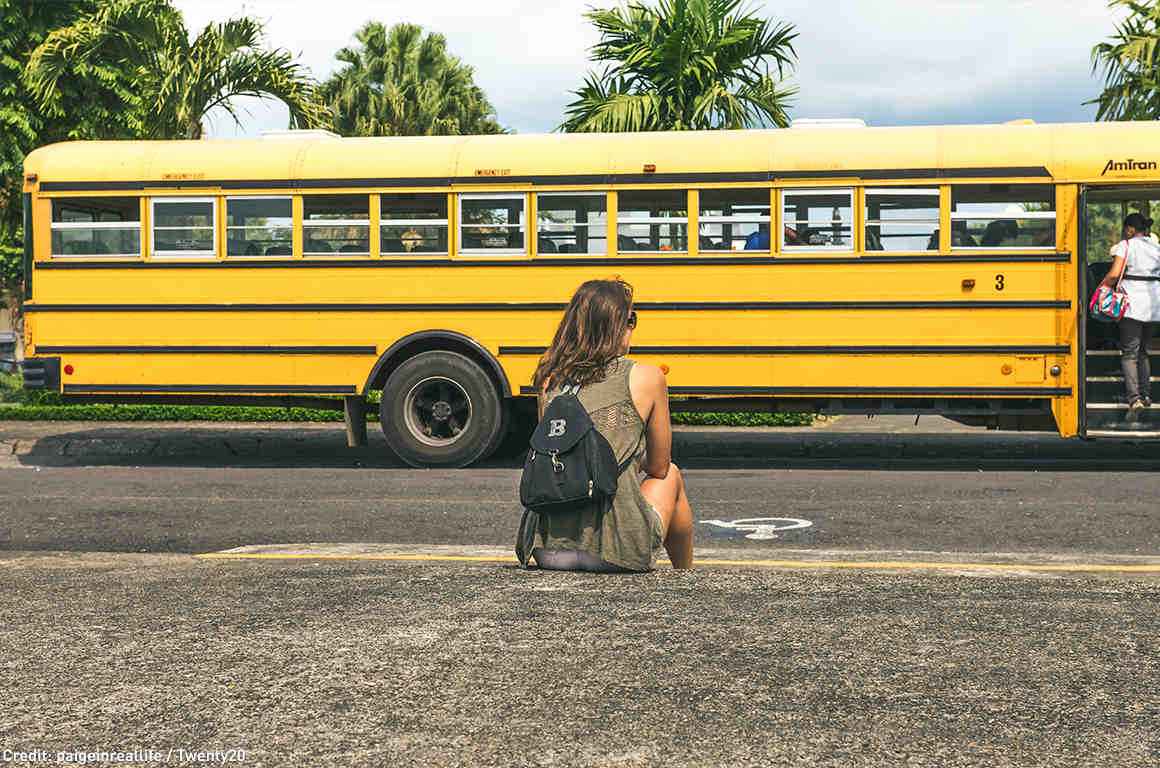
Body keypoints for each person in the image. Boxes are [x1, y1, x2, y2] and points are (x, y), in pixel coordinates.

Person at [529, 279, 694, 572]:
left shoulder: (549, 381)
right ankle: (685, 574)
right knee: (672, 477)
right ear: (615, 324)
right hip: (617, 551)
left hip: (548, 551)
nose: (633, 327)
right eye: (631, 318)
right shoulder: (647, 377)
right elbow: (659, 466)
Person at [1099, 212, 1160, 419]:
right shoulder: (1155, 247)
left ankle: (1134, 399)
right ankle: (1146, 395)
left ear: (1131, 229)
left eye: (1126, 229)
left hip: (1132, 305)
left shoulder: (1126, 245)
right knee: (1143, 351)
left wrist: (1103, 286)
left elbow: (1115, 273)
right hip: (1153, 306)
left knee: (1130, 353)